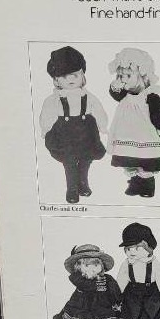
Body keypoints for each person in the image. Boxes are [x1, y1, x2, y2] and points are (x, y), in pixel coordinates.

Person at [39, 46, 107, 204]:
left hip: (86, 133)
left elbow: (99, 110)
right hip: (64, 135)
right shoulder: (53, 99)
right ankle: (72, 188)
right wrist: (46, 129)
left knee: (86, 159)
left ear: (82, 75)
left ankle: (83, 183)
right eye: (64, 76)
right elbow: (47, 114)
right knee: (69, 162)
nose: (70, 79)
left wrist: (103, 126)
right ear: (56, 79)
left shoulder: (88, 96)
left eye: (75, 75)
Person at [107, 47, 160, 197]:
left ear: (142, 76)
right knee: (130, 159)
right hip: (127, 135)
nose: (123, 79)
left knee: (147, 160)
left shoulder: (150, 96)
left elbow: (159, 113)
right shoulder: (125, 95)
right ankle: (135, 183)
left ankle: (147, 185)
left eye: (128, 75)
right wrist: (115, 86)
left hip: (146, 135)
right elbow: (115, 95)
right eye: (120, 75)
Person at [53, 244, 125, 319]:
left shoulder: (108, 279)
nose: (92, 268)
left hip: (104, 307)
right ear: (78, 267)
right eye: (86, 265)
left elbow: (115, 291)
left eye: (96, 265)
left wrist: (118, 302)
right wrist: (95, 284)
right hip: (83, 307)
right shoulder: (79, 279)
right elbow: (85, 285)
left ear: (101, 266)